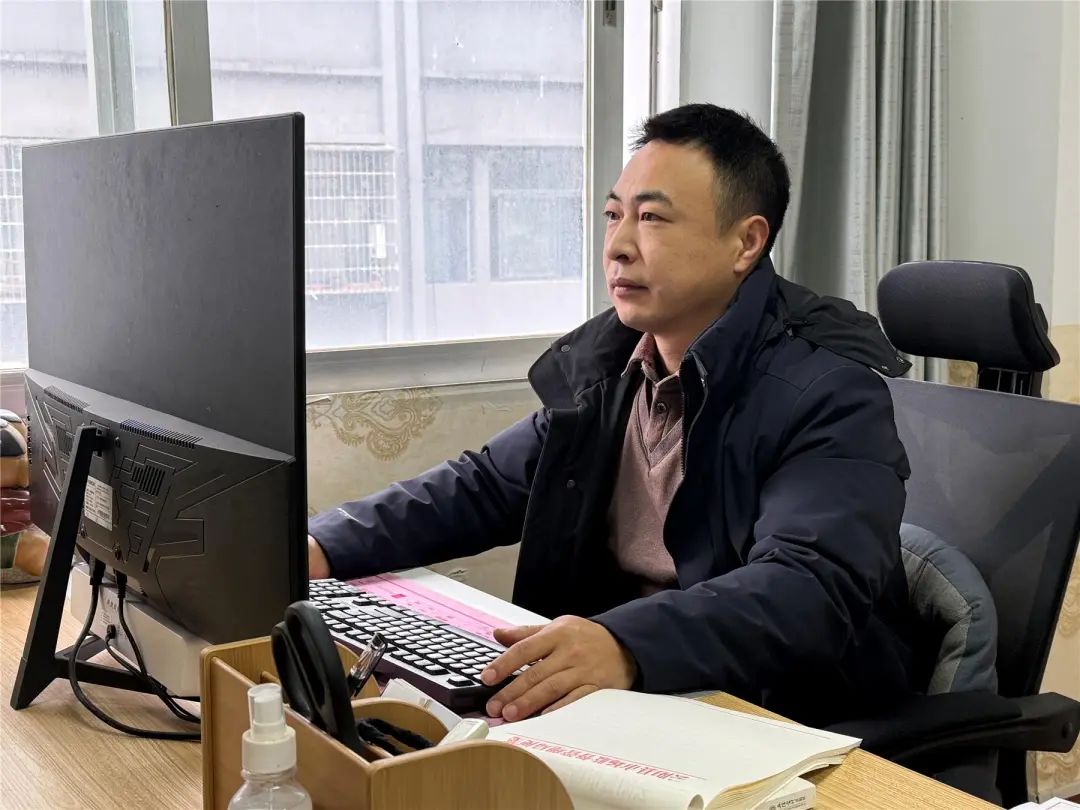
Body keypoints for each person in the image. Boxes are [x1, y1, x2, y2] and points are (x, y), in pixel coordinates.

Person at [307, 104, 915, 727]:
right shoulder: (611, 368)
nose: (619, 246)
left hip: (778, 713)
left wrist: (625, 644)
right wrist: (323, 544)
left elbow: (809, 588)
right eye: (613, 215)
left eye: (651, 218)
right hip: (646, 693)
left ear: (746, 243)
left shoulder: (829, 393)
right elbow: (485, 485)